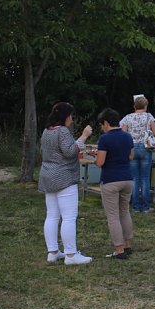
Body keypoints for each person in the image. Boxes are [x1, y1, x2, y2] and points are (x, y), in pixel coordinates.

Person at [38, 102, 94, 265]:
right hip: (64, 177)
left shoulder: (47, 131)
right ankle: (71, 255)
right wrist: (84, 136)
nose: (72, 118)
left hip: (48, 176)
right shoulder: (62, 131)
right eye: (71, 115)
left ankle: (53, 252)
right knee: (69, 217)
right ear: (65, 116)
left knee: (52, 215)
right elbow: (70, 152)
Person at [95, 108, 135, 259]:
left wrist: (95, 158)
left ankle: (119, 250)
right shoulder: (127, 136)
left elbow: (100, 162)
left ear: (105, 123)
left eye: (101, 125)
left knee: (112, 215)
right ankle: (127, 243)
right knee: (124, 211)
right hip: (127, 178)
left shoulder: (105, 139)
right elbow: (131, 156)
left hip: (111, 180)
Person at [120, 95, 155, 213]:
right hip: (145, 148)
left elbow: (122, 133)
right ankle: (145, 206)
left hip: (132, 149)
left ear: (134, 106)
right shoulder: (149, 117)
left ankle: (135, 206)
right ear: (145, 106)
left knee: (134, 178)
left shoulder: (127, 118)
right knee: (145, 178)